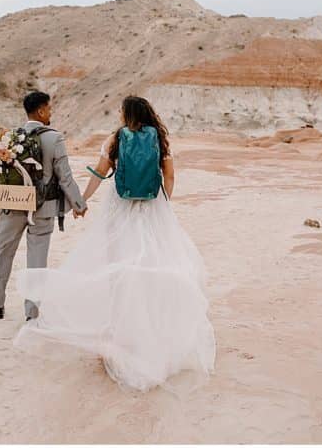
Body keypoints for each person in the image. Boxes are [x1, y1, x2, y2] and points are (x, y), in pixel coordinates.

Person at [14, 96, 216, 391]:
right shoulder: (160, 138)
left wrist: (82, 201)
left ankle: (122, 329)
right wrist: (164, 202)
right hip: (152, 207)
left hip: (120, 207)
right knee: (155, 262)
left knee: (117, 264)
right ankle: (151, 324)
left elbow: (99, 172)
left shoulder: (116, 138)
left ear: (125, 114)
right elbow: (170, 176)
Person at [0, 91, 87, 320]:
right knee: (37, 260)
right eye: (49, 108)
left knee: (4, 253)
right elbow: (65, 177)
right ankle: (31, 313)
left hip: (12, 203)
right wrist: (78, 204)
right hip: (43, 207)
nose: (51, 112)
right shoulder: (54, 138)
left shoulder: (11, 137)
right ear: (41, 110)